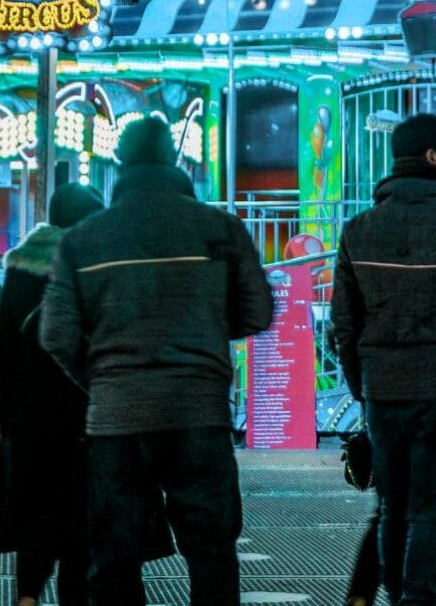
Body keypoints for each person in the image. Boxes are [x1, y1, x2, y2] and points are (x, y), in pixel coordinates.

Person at [40, 114, 276, 606]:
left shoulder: (83, 239)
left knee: (114, 559)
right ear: (174, 161)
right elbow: (257, 311)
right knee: (212, 554)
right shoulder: (219, 229)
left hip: (116, 419)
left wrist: (104, 376)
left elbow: (57, 333)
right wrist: (205, 339)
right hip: (199, 413)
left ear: (119, 163)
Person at [334, 111, 436, 606]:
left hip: (382, 390)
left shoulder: (358, 229)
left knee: (392, 509)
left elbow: (345, 325)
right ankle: (418, 600)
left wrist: (362, 387)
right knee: (430, 512)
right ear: (433, 157)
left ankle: (398, 597)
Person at [0, 184, 107, 606]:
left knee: (34, 510)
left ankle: (27, 596)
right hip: (81, 410)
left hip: (28, 412)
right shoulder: (90, 264)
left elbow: (1, 342)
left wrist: (2, 404)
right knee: (78, 518)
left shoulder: (20, 269)